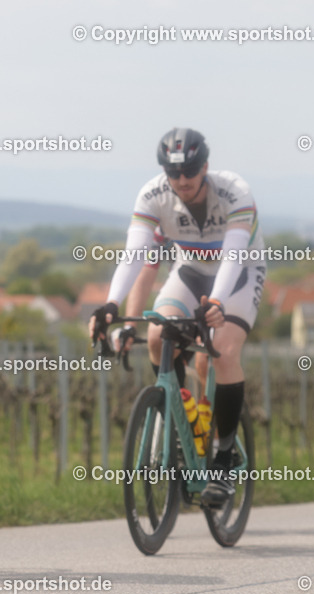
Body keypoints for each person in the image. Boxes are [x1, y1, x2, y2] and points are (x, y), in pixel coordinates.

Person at [90, 127, 265, 507]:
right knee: (157, 336)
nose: (182, 180)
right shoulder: (153, 195)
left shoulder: (234, 191)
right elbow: (136, 256)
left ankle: (223, 459)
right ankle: (182, 418)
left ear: (205, 167)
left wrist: (216, 302)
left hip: (238, 274)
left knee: (224, 351)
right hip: (190, 271)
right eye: (173, 173)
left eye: (189, 171)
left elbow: (234, 256)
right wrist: (111, 306)